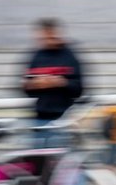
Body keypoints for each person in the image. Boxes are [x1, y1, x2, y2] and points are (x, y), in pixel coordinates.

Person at [23, 18, 84, 148]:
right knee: (39, 161)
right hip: (40, 119)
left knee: (63, 163)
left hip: (64, 119)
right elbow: (25, 87)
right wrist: (35, 84)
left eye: (50, 35)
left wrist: (61, 82)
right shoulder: (36, 56)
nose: (47, 39)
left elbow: (79, 89)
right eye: (43, 36)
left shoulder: (70, 56)